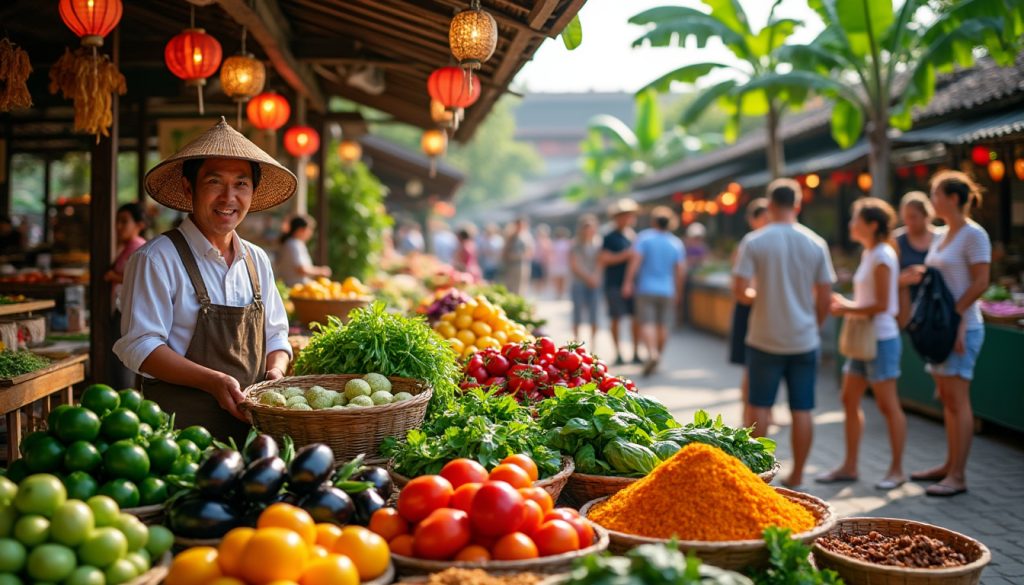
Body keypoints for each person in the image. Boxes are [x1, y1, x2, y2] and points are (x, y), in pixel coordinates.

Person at [114, 118, 295, 443]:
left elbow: (277, 335)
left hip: (254, 438)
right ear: (188, 188)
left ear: (252, 192)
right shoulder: (156, 259)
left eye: (241, 184)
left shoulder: (257, 260)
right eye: (214, 182)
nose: (229, 197)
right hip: (178, 439)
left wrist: (275, 375)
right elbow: (140, 346)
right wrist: (213, 381)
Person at [733, 178, 835, 487]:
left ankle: (758, 477)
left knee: (759, 405)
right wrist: (813, 324)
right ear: (798, 204)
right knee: (802, 408)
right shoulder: (816, 243)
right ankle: (800, 474)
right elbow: (825, 296)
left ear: (770, 205)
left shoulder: (754, 241)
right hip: (803, 338)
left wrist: (761, 298)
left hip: (764, 336)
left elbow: (740, 292)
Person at [903, 171, 991, 497]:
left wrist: (955, 317)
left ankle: (958, 475)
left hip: (962, 328)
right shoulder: (942, 235)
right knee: (947, 400)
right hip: (942, 330)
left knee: (958, 401)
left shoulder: (974, 235)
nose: (932, 200)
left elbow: (981, 282)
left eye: (936, 194)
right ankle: (948, 465)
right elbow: (944, 274)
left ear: (953, 198)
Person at [817, 197, 907, 490]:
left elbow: (881, 304)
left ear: (872, 224)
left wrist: (846, 306)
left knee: (887, 404)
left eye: (856, 218)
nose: (850, 224)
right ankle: (850, 466)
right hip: (864, 337)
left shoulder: (881, 255)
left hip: (880, 338)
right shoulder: (871, 253)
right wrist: (850, 306)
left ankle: (896, 470)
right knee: (848, 399)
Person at [623, 206, 686, 376]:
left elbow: (635, 261)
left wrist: (628, 282)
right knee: (663, 324)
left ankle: (652, 353)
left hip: (646, 287)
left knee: (647, 322)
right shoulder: (676, 243)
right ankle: (658, 354)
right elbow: (680, 270)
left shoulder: (644, 238)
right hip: (667, 290)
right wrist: (679, 292)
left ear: (653, 222)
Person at [729, 198, 769, 427]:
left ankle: (762, 413)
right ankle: (748, 414)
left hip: (763, 306)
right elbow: (739, 284)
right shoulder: (749, 243)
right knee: (751, 365)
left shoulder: (764, 241)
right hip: (750, 307)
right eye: (763, 217)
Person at [105, 203, 148, 389]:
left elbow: (139, 277)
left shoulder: (138, 247)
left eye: (124, 221)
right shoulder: (127, 247)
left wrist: (112, 276)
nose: (119, 226)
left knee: (122, 362)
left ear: (139, 225)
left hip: (127, 311)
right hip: (122, 309)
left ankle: (124, 400)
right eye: (118, 221)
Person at [600, 199, 642, 366]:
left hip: (633, 284)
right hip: (614, 283)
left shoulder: (632, 236)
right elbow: (604, 259)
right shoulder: (609, 237)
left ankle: (636, 351)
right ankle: (618, 352)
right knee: (616, 318)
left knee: (635, 318)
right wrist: (626, 255)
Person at [893, 191, 939, 327]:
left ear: (926, 215)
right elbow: (886, 280)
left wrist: (927, 272)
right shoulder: (896, 240)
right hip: (905, 313)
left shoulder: (942, 237)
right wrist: (902, 280)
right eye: (906, 217)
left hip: (935, 308)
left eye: (913, 217)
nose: (909, 222)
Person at [570, 215, 602, 349]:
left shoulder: (598, 243)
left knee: (594, 314)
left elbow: (601, 262)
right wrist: (588, 277)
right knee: (577, 312)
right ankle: (577, 342)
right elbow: (574, 265)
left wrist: (595, 276)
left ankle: (593, 343)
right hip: (579, 282)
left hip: (594, 282)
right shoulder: (576, 244)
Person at [276, 215, 331, 286]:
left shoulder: (295, 243)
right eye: (309, 229)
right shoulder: (293, 244)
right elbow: (301, 269)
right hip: (294, 287)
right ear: (300, 230)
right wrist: (321, 271)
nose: (311, 233)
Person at [503, 218, 534, 296]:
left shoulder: (526, 236)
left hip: (522, 263)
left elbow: (530, 251)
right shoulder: (511, 236)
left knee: (521, 285)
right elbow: (505, 251)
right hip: (511, 264)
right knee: (510, 285)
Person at [549, 226, 572, 299]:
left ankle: (561, 293)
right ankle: (559, 293)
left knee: (562, 280)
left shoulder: (566, 243)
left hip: (563, 264)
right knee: (559, 280)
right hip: (558, 263)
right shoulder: (555, 243)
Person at [532, 224, 553, 295]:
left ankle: (540, 291)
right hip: (537, 262)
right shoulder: (536, 241)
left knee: (542, 278)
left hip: (544, 263)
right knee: (536, 278)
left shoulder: (547, 241)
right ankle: (537, 292)